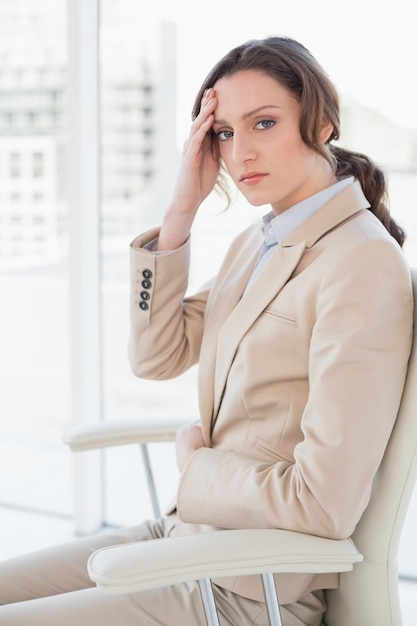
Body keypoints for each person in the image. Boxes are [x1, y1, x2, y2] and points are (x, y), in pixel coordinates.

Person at [0, 35, 413, 626]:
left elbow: (325, 503)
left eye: (264, 123)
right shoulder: (259, 242)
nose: (240, 151)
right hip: (185, 536)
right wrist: (179, 215)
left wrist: (197, 469)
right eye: (224, 133)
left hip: (247, 585)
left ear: (322, 123)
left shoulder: (360, 262)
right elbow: (158, 356)